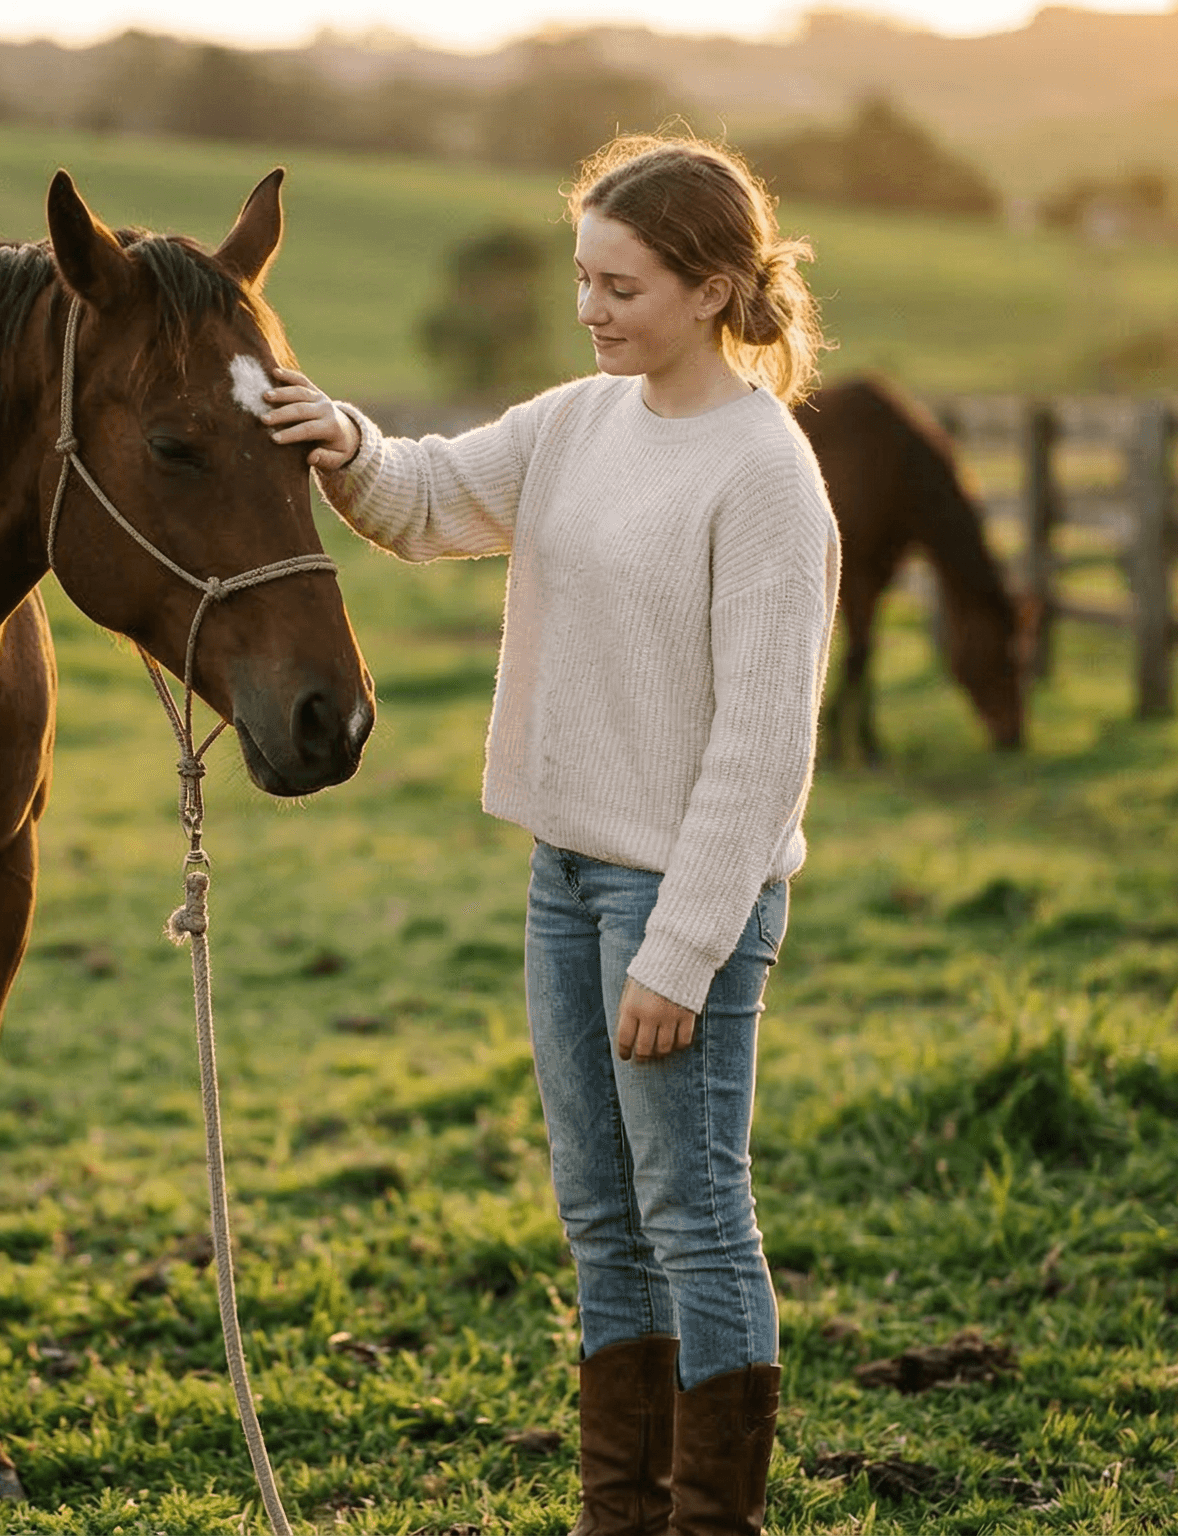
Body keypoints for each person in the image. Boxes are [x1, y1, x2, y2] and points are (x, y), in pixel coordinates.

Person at [259, 132, 837, 1536]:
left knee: (692, 1218)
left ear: (710, 289)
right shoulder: (578, 423)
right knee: (599, 1217)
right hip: (562, 878)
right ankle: (616, 1517)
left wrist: (682, 951)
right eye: (582, 279)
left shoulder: (764, 476)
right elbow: (426, 494)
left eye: (620, 287)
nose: (590, 309)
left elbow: (762, 750)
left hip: (676, 904)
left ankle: (710, 1522)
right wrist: (339, 437)